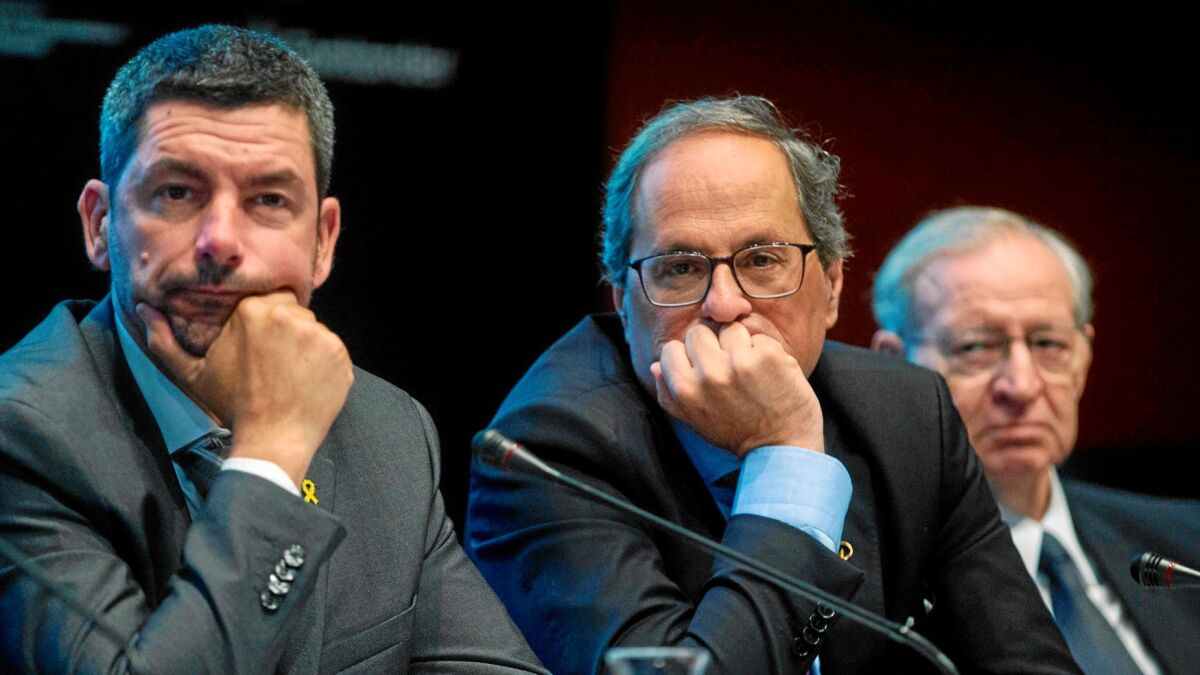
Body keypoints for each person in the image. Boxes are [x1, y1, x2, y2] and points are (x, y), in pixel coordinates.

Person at [465, 95, 1081, 674]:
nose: (724, 305)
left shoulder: (910, 414)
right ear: (623, 300)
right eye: (681, 268)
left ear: (832, 286)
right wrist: (788, 456)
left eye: (762, 260)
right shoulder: (544, 453)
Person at [0, 25, 544, 674]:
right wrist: (271, 455)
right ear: (99, 224)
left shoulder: (388, 430)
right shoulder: (21, 436)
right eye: (177, 192)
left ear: (323, 241)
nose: (221, 241)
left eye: (268, 200)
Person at [871, 206, 1200, 674]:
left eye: (1048, 344)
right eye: (975, 347)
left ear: (1082, 358)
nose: (1021, 386)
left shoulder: (1186, 545)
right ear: (893, 363)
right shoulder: (863, 597)